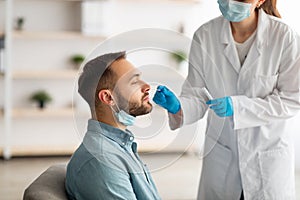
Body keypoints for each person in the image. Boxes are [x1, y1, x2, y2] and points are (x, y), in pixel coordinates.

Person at [153, 0, 300, 199]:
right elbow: (197, 94)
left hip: (267, 155)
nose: (232, 2)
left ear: (260, 1)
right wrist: (179, 106)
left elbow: (292, 99)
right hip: (223, 155)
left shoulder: (283, 37)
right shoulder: (205, 36)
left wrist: (239, 107)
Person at [65, 52, 161, 200]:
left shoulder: (120, 146)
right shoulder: (102, 160)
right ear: (108, 97)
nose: (147, 86)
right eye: (134, 82)